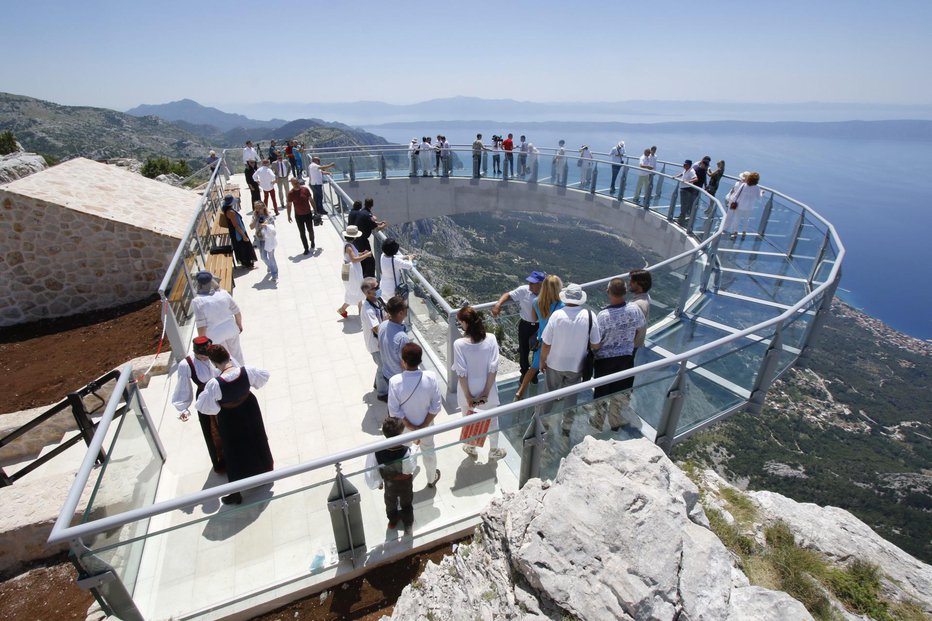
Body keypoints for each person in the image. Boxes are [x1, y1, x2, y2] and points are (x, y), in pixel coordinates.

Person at [195, 344, 273, 505]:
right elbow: (263, 377)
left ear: (214, 363)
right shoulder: (247, 371)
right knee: (257, 440)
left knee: (234, 451)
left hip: (230, 418)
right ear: (229, 356)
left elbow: (206, 407)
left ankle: (236, 491)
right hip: (250, 410)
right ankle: (264, 474)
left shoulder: (214, 384)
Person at [537, 283, 601, 437]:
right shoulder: (590, 316)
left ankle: (541, 426)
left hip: (554, 363)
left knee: (549, 395)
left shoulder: (557, 315)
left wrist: (542, 361)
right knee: (571, 398)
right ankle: (566, 428)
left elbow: (546, 343)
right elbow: (596, 344)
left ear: (566, 298)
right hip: (576, 365)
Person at [589, 278, 646, 432]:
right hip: (626, 359)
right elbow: (640, 328)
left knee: (601, 395)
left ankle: (597, 424)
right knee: (620, 394)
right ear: (625, 292)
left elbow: (596, 340)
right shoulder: (635, 310)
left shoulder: (603, 316)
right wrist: (629, 343)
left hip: (604, 361)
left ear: (608, 292)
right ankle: (615, 424)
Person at [453, 306, 506, 459]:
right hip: (487, 387)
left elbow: (461, 373)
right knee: (493, 421)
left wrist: (469, 397)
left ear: (465, 323)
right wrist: (485, 393)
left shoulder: (459, 344)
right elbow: (493, 369)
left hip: (467, 389)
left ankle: (470, 447)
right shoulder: (491, 339)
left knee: (469, 419)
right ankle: (494, 450)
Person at [388, 343, 442, 488]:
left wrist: (412, 427)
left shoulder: (395, 382)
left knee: (406, 454)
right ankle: (431, 479)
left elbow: (394, 411)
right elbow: (436, 406)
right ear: (420, 360)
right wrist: (422, 427)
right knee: (429, 451)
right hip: (427, 426)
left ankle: (406, 479)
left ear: (403, 361)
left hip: (405, 428)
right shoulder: (430, 377)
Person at [171, 336, 225, 473]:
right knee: (212, 432)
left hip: (222, 394)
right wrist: (183, 409)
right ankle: (222, 461)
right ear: (196, 353)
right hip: (206, 400)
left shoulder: (216, 354)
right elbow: (183, 388)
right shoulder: (186, 364)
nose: (207, 358)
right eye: (203, 356)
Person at [365, 416, 419, 536]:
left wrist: (379, 482)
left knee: (390, 502)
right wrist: (415, 446)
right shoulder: (407, 451)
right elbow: (409, 469)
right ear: (400, 435)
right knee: (406, 503)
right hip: (405, 484)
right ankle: (408, 524)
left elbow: (374, 469)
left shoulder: (377, 452)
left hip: (389, 483)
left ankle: (392, 521)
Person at [491, 271, 545, 386]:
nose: (529, 285)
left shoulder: (547, 294)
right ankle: (524, 373)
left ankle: (534, 374)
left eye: (532, 283)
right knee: (524, 351)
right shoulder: (523, 290)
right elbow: (508, 295)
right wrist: (498, 304)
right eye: (529, 282)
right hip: (525, 325)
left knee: (538, 351)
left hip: (540, 326)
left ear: (540, 284)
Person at [514, 274, 563, 401]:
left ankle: (521, 391)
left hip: (542, 339)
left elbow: (534, 318)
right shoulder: (562, 306)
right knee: (555, 367)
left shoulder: (536, 302)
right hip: (556, 341)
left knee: (534, 366)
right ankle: (554, 393)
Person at [192, 270, 246, 367]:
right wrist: (239, 325)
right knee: (237, 354)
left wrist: (202, 342)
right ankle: (243, 372)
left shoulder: (198, 302)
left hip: (215, 336)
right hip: (231, 329)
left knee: (224, 358)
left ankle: (231, 377)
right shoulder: (223, 293)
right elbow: (237, 311)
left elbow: (201, 325)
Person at [361, 277, 389, 401]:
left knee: (381, 365)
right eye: (376, 288)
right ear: (368, 293)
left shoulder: (377, 300)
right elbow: (376, 329)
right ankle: (382, 393)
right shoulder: (368, 309)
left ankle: (377, 384)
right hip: (375, 344)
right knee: (383, 367)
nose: (378, 289)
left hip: (380, 341)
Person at [338, 225, 371, 318]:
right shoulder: (349, 247)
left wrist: (362, 253)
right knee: (358, 289)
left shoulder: (347, 245)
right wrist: (367, 255)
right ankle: (346, 310)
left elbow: (352, 255)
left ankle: (348, 310)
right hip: (352, 271)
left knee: (353, 290)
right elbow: (354, 259)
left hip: (346, 268)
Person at [378, 296, 411, 389]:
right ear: (401, 313)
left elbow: (379, 345)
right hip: (398, 378)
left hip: (386, 372)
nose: (407, 310)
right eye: (405, 308)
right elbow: (404, 363)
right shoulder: (402, 338)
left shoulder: (382, 325)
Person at [724, 171, 764, 240]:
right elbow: (759, 198)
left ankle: (734, 234)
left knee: (737, 219)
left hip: (739, 206)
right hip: (749, 207)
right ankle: (744, 233)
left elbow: (736, 195)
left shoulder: (743, 185)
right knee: (746, 220)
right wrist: (761, 193)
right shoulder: (757, 188)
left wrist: (731, 202)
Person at [221, 194, 257, 268]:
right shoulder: (231, 212)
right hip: (238, 232)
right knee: (245, 247)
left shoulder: (225, 209)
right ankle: (248, 264)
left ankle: (245, 263)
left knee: (240, 247)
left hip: (235, 231)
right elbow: (236, 225)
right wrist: (243, 236)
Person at [354, 197, 385, 278]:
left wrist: (378, 222)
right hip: (362, 241)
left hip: (357, 239)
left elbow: (370, 222)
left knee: (363, 260)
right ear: (372, 205)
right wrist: (383, 225)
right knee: (370, 261)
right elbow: (376, 228)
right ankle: (370, 279)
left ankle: (363, 276)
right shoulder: (368, 215)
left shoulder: (362, 212)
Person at [286, 177, 316, 255]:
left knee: (310, 230)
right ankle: (306, 248)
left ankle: (312, 242)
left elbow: (311, 200)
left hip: (308, 214)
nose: (297, 185)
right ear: (292, 184)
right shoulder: (290, 193)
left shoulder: (305, 189)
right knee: (302, 233)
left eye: (297, 183)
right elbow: (289, 205)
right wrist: (288, 216)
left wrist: (315, 210)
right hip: (298, 216)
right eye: (295, 183)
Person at [379, 238, 414, 302]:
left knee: (386, 305)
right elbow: (409, 266)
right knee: (393, 308)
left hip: (383, 285)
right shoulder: (395, 261)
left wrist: (404, 257)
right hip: (392, 289)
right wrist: (410, 258)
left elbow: (393, 258)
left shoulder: (382, 255)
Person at [250, 202, 279, 280]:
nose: (258, 210)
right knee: (263, 257)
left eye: (260, 207)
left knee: (271, 257)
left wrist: (266, 225)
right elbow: (251, 227)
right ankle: (270, 266)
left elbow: (273, 228)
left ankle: (275, 273)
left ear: (264, 207)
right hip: (260, 240)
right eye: (256, 208)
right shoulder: (255, 216)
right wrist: (256, 219)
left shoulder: (269, 216)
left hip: (268, 239)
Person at [627, 269, 652, 359]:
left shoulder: (638, 304)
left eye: (632, 281)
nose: (629, 284)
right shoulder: (646, 297)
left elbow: (634, 330)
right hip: (635, 344)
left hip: (630, 347)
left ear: (640, 284)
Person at [675, 159, 700, 226]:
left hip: (686, 190)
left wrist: (688, 182)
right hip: (683, 189)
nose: (684, 165)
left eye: (685, 164)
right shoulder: (686, 170)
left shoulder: (691, 171)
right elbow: (682, 174)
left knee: (684, 205)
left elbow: (696, 179)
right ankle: (681, 219)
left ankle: (681, 220)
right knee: (683, 204)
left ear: (689, 165)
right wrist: (676, 176)